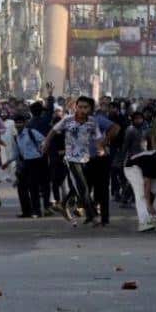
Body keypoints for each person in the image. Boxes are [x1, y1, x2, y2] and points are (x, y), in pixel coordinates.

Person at [41, 96, 104, 226]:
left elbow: (98, 137)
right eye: (79, 107)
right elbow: (53, 131)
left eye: (85, 107)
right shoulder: (67, 120)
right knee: (83, 187)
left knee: (78, 188)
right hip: (71, 158)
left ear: (90, 109)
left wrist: (100, 149)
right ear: (76, 107)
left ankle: (62, 204)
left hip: (85, 158)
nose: (82, 110)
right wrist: (46, 143)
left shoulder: (92, 122)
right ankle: (93, 216)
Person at [2, 113, 47, 218]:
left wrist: (41, 152)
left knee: (33, 188)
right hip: (25, 163)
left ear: (25, 123)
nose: (18, 124)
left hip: (35, 162)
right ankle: (26, 211)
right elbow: (16, 153)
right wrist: (8, 162)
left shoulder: (32, 132)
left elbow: (45, 141)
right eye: (17, 123)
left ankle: (37, 211)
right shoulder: (17, 137)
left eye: (20, 122)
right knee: (21, 188)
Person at [124, 149, 156, 233]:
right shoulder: (152, 161)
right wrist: (149, 204)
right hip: (132, 168)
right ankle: (143, 222)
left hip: (144, 170)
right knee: (141, 193)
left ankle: (152, 219)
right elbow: (147, 184)